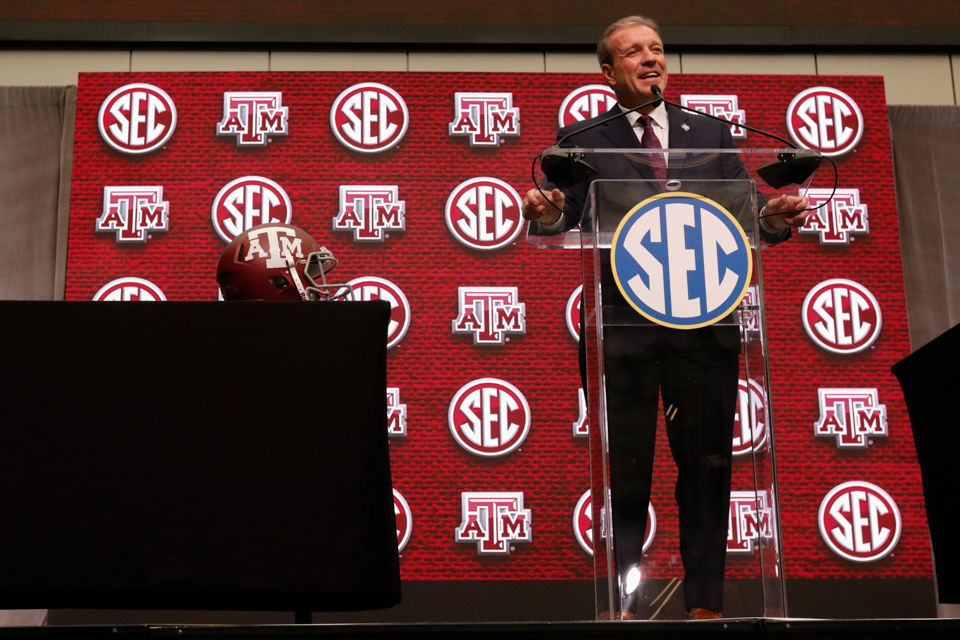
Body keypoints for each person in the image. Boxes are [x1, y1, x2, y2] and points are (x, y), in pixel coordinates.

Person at [522, 15, 809, 620]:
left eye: (656, 49)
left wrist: (776, 215)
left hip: (707, 325)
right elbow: (565, 217)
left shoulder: (712, 132)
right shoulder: (585, 137)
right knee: (627, 469)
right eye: (634, 52)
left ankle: (705, 605)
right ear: (609, 71)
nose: (651, 59)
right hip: (624, 327)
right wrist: (545, 213)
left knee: (706, 467)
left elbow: (747, 210)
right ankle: (625, 603)